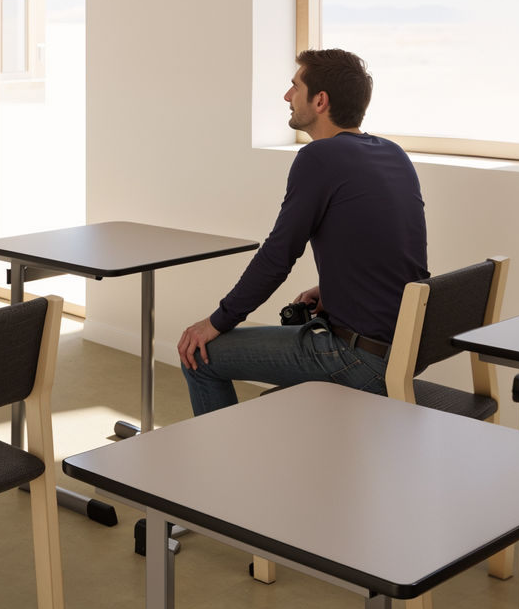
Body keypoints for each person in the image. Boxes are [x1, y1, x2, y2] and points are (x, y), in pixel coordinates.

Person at [175, 48, 427, 413]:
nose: (287, 96)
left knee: (198, 355)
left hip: (360, 360)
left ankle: (225, 467)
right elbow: (396, 252)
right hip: (400, 351)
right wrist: (333, 289)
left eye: (295, 87)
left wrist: (216, 321)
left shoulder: (318, 158)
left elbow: (277, 257)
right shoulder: (392, 153)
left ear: (320, 100)